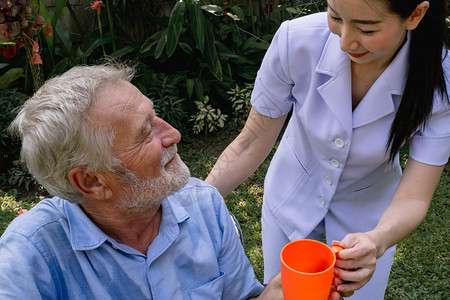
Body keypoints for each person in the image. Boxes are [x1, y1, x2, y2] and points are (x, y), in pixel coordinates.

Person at [205, 0, 449, 299]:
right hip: (289, 201)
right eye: (335, 16)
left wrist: (377, 240)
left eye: (366, 28)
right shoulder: (297, 40)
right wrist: (199, 203)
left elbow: (414, 196)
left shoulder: (442, 78)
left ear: (415, 15)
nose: (344, 41)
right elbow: (251, 140)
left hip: (371, 221)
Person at [0, 64, 283, 299]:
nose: (173, 134)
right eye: (146, 133)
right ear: (92, 181)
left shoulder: (204, 205)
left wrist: (275, 294)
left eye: (154, 115)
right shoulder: (29, 258)